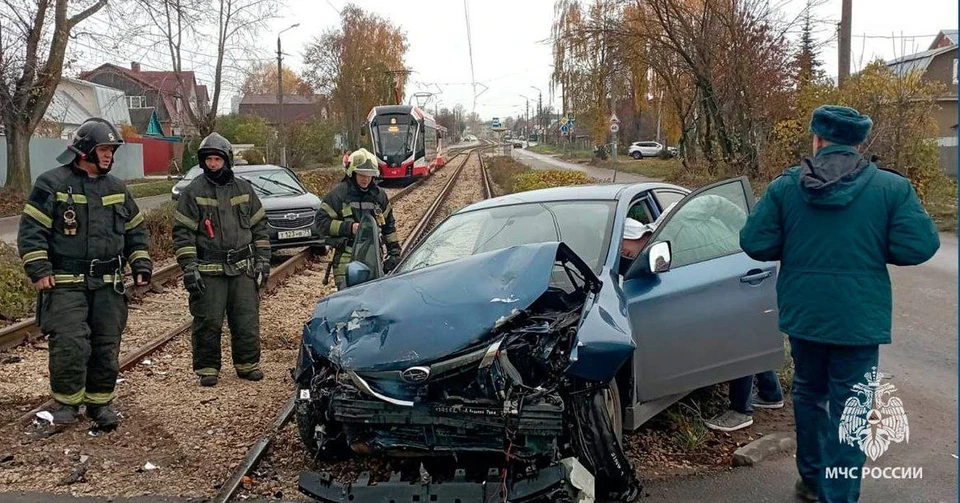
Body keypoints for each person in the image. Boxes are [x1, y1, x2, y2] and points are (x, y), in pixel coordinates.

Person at [740, 105, 940, 502]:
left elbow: (754, 242)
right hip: (859, 320)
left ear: (817, 140)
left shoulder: (786, 187)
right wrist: (875, 245)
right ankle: (838, 495)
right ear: (859, 143)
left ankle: (812, 480)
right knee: (852, 410)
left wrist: (794, 243)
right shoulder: (891, 189)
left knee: (810, 393)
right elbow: (919, 245)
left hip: (805, 316)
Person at [18, 118, 152, 428]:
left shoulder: (117, 188)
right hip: (65, 283)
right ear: (84, 151)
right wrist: (39, 268)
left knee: (106, 344)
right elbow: (31, 231)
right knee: (70, 343)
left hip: (108, 285)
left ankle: (99, 404)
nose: (109, 155)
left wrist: (141, 265)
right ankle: (66, 404)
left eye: (111, 150)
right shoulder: (51, 183)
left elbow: (136, 231)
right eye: (104, 149)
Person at [172, 133, 271, 387]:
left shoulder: (244, 189)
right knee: (208, 321)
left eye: (217, 159)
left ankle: (247, 364)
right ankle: (207, 368)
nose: (213, 164)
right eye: (209, 160)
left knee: (246, 319)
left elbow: (260, 227)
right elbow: (183, 235)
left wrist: (263, 261)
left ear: (227, 161)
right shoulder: (193, 192)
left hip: (242, 269)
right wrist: (189, 268)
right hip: (209, 270)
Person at [317, 148, 401, 290]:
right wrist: (349, 228)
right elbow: (321, 223)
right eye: (362, 174)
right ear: (352, 172)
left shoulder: (379, 196)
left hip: (373, 256)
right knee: (348, 295)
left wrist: (394, 253)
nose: (366, 179)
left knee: (372, 294)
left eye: (369, 175)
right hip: (345, 257)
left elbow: (389, 227)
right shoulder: (338, 195)